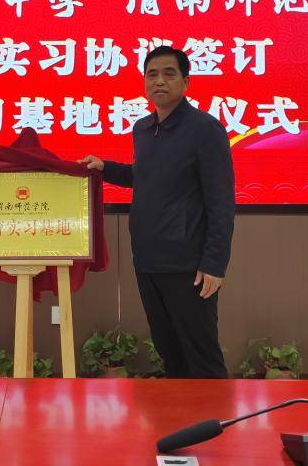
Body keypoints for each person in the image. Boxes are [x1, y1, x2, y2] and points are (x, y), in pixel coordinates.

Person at [80, 46, 234, 379]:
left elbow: (221, 200)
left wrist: (215, 263)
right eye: (152, 74)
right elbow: (145, 175)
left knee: (201, 357)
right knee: (169, 351)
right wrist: (106, 168)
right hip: (148, 259)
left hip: (188, 265)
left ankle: (215, 414)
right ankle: (181, 413)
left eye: (169, 73)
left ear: (186, 82)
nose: (159, 81)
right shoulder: (144, 129)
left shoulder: (205, 129)